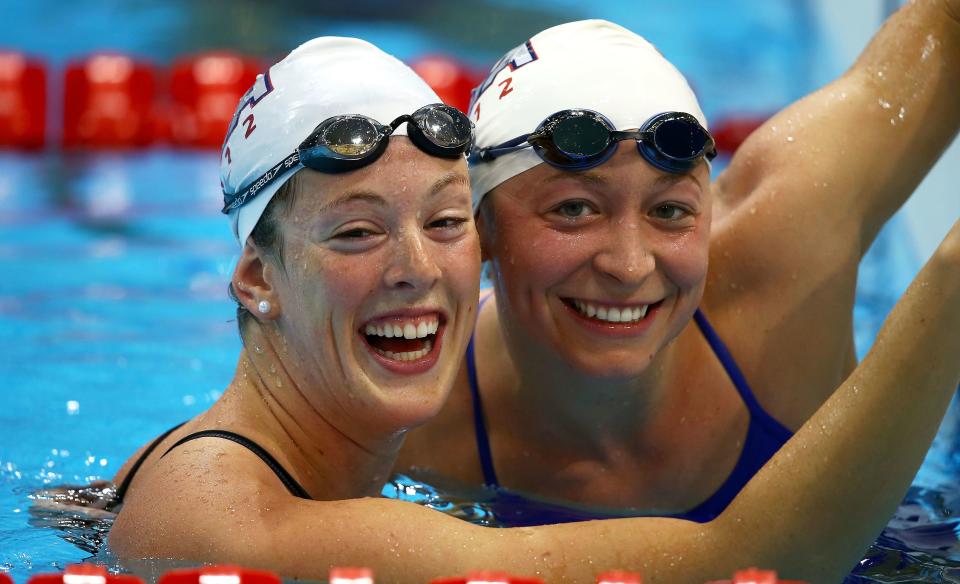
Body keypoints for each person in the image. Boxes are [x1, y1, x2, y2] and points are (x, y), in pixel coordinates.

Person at [105, 30, 960, 584]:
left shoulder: (351, 421)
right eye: (358, 233)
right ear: (257, 276)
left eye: (440, 223)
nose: (416, 271)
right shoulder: (243, 512)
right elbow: (746, 567)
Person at [396, 0, 960, 525]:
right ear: (480, 226)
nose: (631, 265)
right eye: (574, 209)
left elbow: (944, 30)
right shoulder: (406, 421)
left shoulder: (789, 241)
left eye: (669, 210)